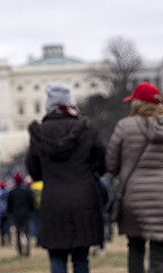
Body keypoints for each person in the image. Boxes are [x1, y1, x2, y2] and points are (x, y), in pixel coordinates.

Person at [25, 81, 106, 273]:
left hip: (53, 199)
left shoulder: (39, 133)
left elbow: (34, 171)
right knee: (81, 258)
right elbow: (102, 163)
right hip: (83, 198)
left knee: (57, 256)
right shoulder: (86, 129)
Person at [106, 82, 163, 273]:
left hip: (134, 199)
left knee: (136, 249)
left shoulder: (125, 126)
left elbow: (110, 163)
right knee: (160, 253)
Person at [4, 173, 34, 257]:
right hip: (26, 214)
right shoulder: (27, 191)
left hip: (16, 215)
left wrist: (10, 214)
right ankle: (27, 249)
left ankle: (20, 251)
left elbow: (9, 205)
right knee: (27, 232)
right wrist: (30, 212)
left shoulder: (11, 192)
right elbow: (31, 203)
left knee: (17, 233)